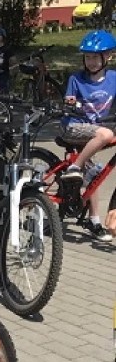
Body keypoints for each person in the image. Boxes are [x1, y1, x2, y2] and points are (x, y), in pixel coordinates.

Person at [58, 30, 116, 242]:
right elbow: (69, 103)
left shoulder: (113, 79)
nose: (90, 62)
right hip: (73, 127)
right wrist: (70, 105)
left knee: (94, 174)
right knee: (106, 133)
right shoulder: (76, 79)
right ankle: (75, 166)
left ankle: (94, 220)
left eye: (95, 57)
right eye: (87, 57)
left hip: (93, 132)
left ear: (108, 56)